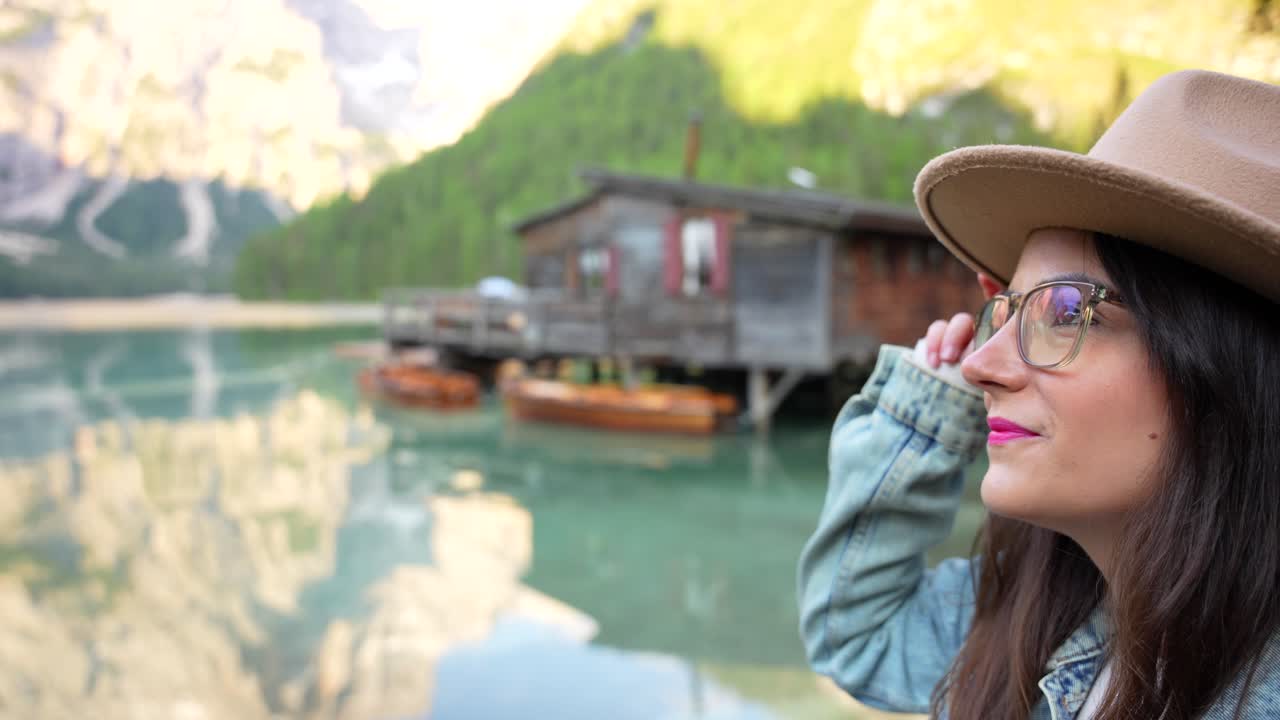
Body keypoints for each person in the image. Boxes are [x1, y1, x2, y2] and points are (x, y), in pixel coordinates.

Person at [796, 69, 1280, 720]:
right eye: (1005, 307)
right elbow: (857, 637)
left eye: (1065, 311)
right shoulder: (1054, 610)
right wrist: (925, 407)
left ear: (1227, 370)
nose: (978, 367)